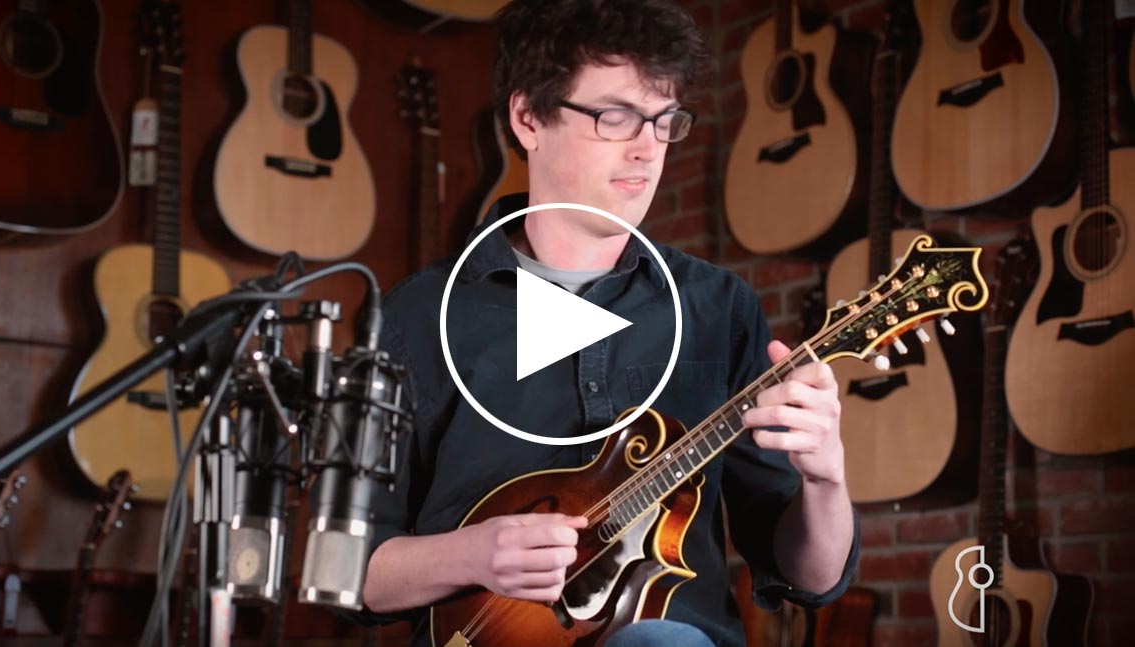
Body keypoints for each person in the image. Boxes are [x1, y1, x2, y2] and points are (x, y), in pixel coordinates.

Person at [352, 1, 859, 646]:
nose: (648, 149)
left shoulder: (718, 309)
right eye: (615, 118)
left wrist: (825, 478)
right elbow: (352, 575)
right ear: (529, 119)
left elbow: (808, 578)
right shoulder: (418, 317)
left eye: (664, 121)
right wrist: (469, 555)